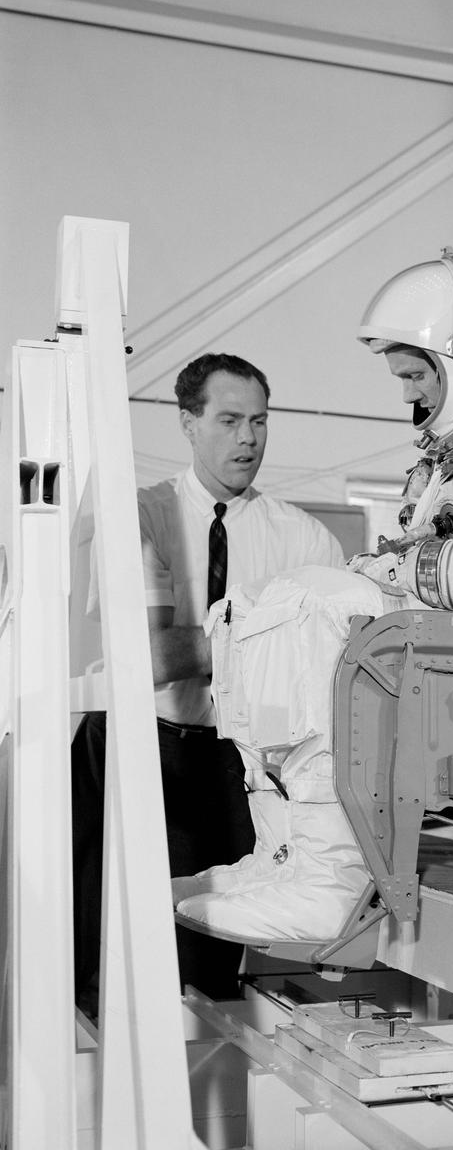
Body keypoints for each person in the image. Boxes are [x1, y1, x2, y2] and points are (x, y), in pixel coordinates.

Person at [172, 250, 453, 944]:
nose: (411, 393)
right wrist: (398, 568)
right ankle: (284, 855)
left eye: (416, 374)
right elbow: (419, 556)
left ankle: (333, 876)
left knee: (315, 606)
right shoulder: (452, 454)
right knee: (246, 612)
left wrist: (409, 573)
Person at [72, 352, 346, 1010]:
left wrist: (207, 645)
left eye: (259, 421)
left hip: (239, 762)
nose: (248, 438)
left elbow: (336, 664)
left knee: (221, 953)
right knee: (112, 941)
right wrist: (269, 641)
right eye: (229, 420)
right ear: (188, 424)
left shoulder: (306, 542)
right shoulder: (144, 515)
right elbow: (148, 659)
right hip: (144, 744)